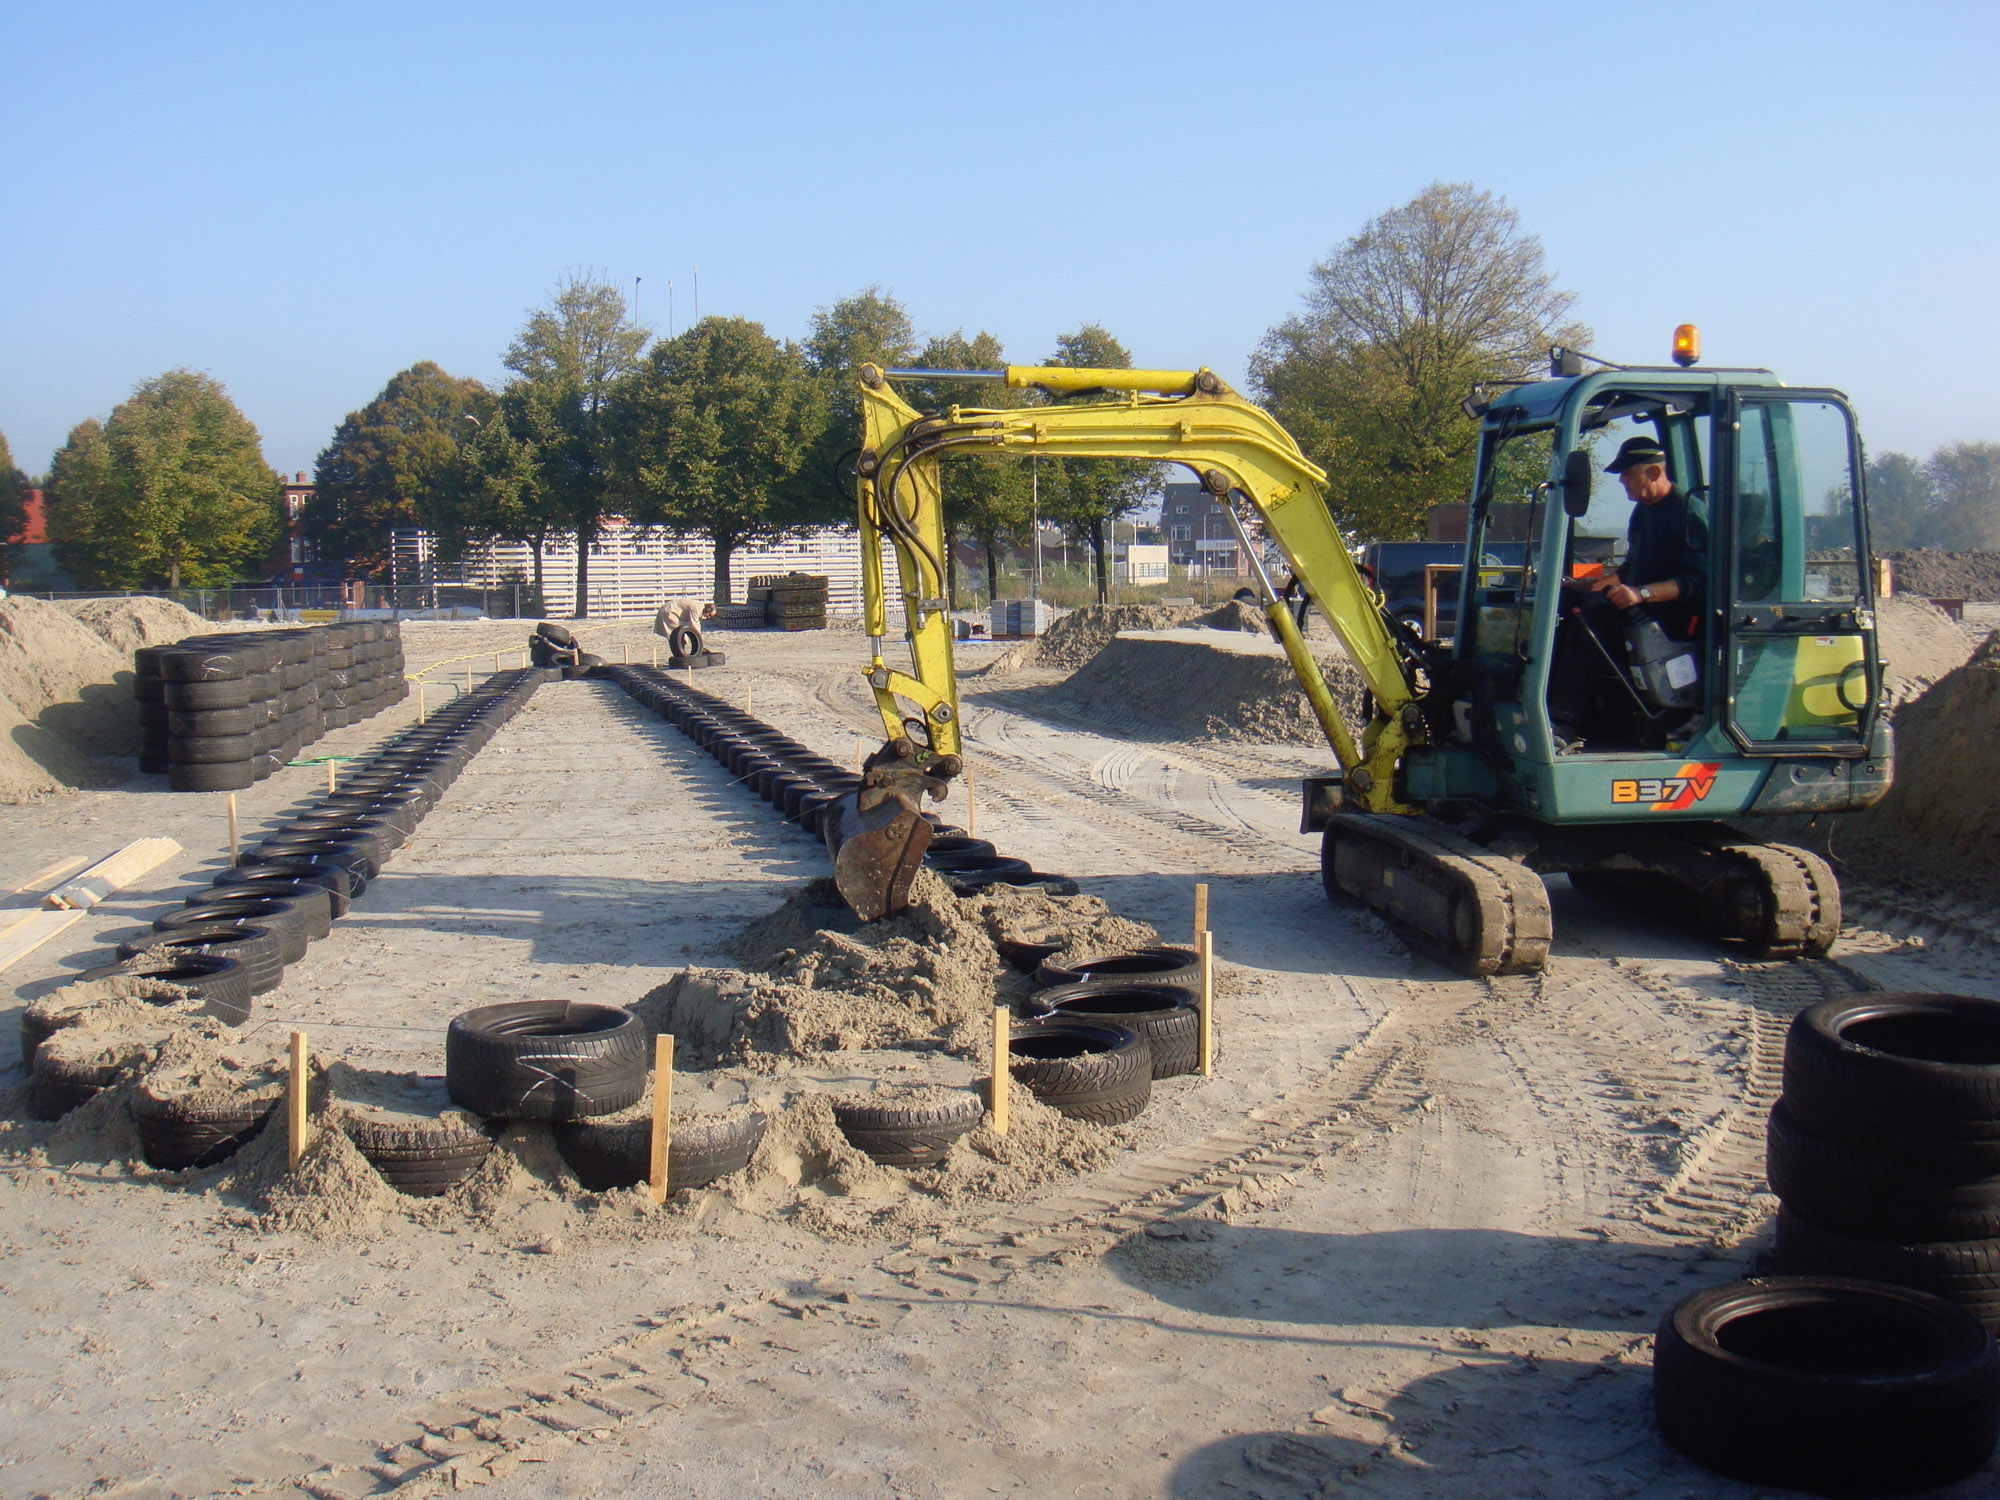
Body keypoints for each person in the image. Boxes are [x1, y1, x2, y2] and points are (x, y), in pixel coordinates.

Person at [1547, 435, 1707, 739]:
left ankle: (1564, 720)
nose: (1622, 480)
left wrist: (1642, 593)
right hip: (1638, 604)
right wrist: (1591, 585)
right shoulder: (1643, 512)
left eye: (1630, 473)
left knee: (1591, 616)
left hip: (1672, 617)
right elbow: (1630, 569)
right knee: (1568, 603)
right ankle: (1544, 700)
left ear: (1655, 472)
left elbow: (1698, 580)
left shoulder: (1688, 513)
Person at [652, 596, 717, 638]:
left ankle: (681, 652)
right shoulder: (696, 608)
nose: (709, 617)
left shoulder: (700, 608)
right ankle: (679, 654)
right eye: (710, 615)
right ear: (707, 610)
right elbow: (694, 625)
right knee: (677, 634)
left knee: (681, 634)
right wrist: (699, 640)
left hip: (671, 611)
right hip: (668, 611)